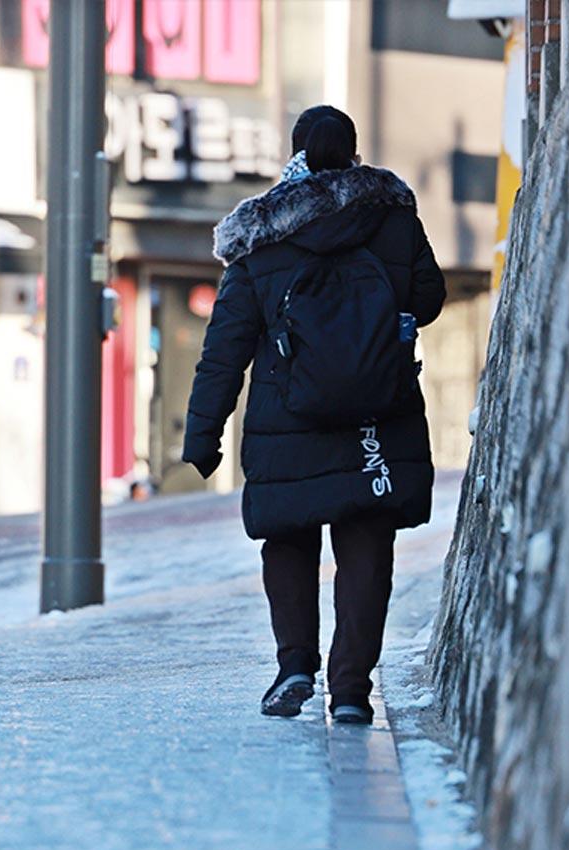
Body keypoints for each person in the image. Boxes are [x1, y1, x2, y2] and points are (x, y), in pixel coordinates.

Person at [184, 105, 445, 724]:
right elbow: (430, 298)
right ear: (354, 152)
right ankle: (352, 690)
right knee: (366, 543)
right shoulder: (392, 216)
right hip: (376, 416)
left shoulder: (259, 235)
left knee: (289, 538)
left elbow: (224, 348)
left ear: (296, 151)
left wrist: (203, 435)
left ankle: (295, 664)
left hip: (286, 419)